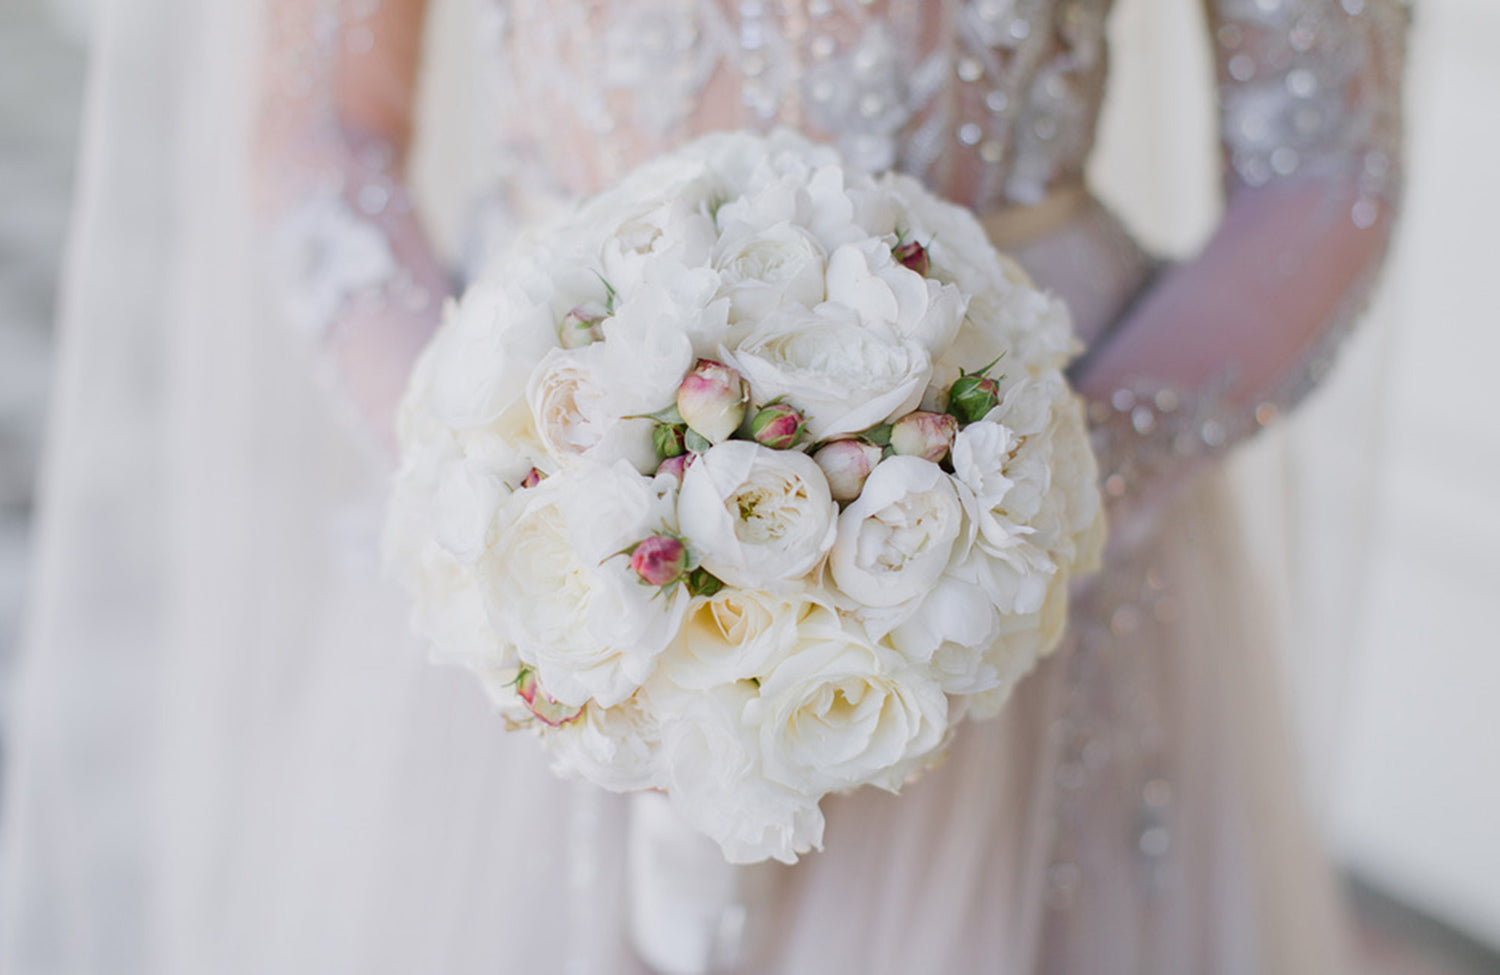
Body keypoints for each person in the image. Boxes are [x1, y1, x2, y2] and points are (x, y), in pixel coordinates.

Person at [0, 0, 1407, 971]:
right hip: (557, 528)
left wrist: (1016, 512)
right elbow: (322, 134)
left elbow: (1326, 167)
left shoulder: (1022, 514)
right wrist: (494, 483)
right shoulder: (519, 492)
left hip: (1031, 558)